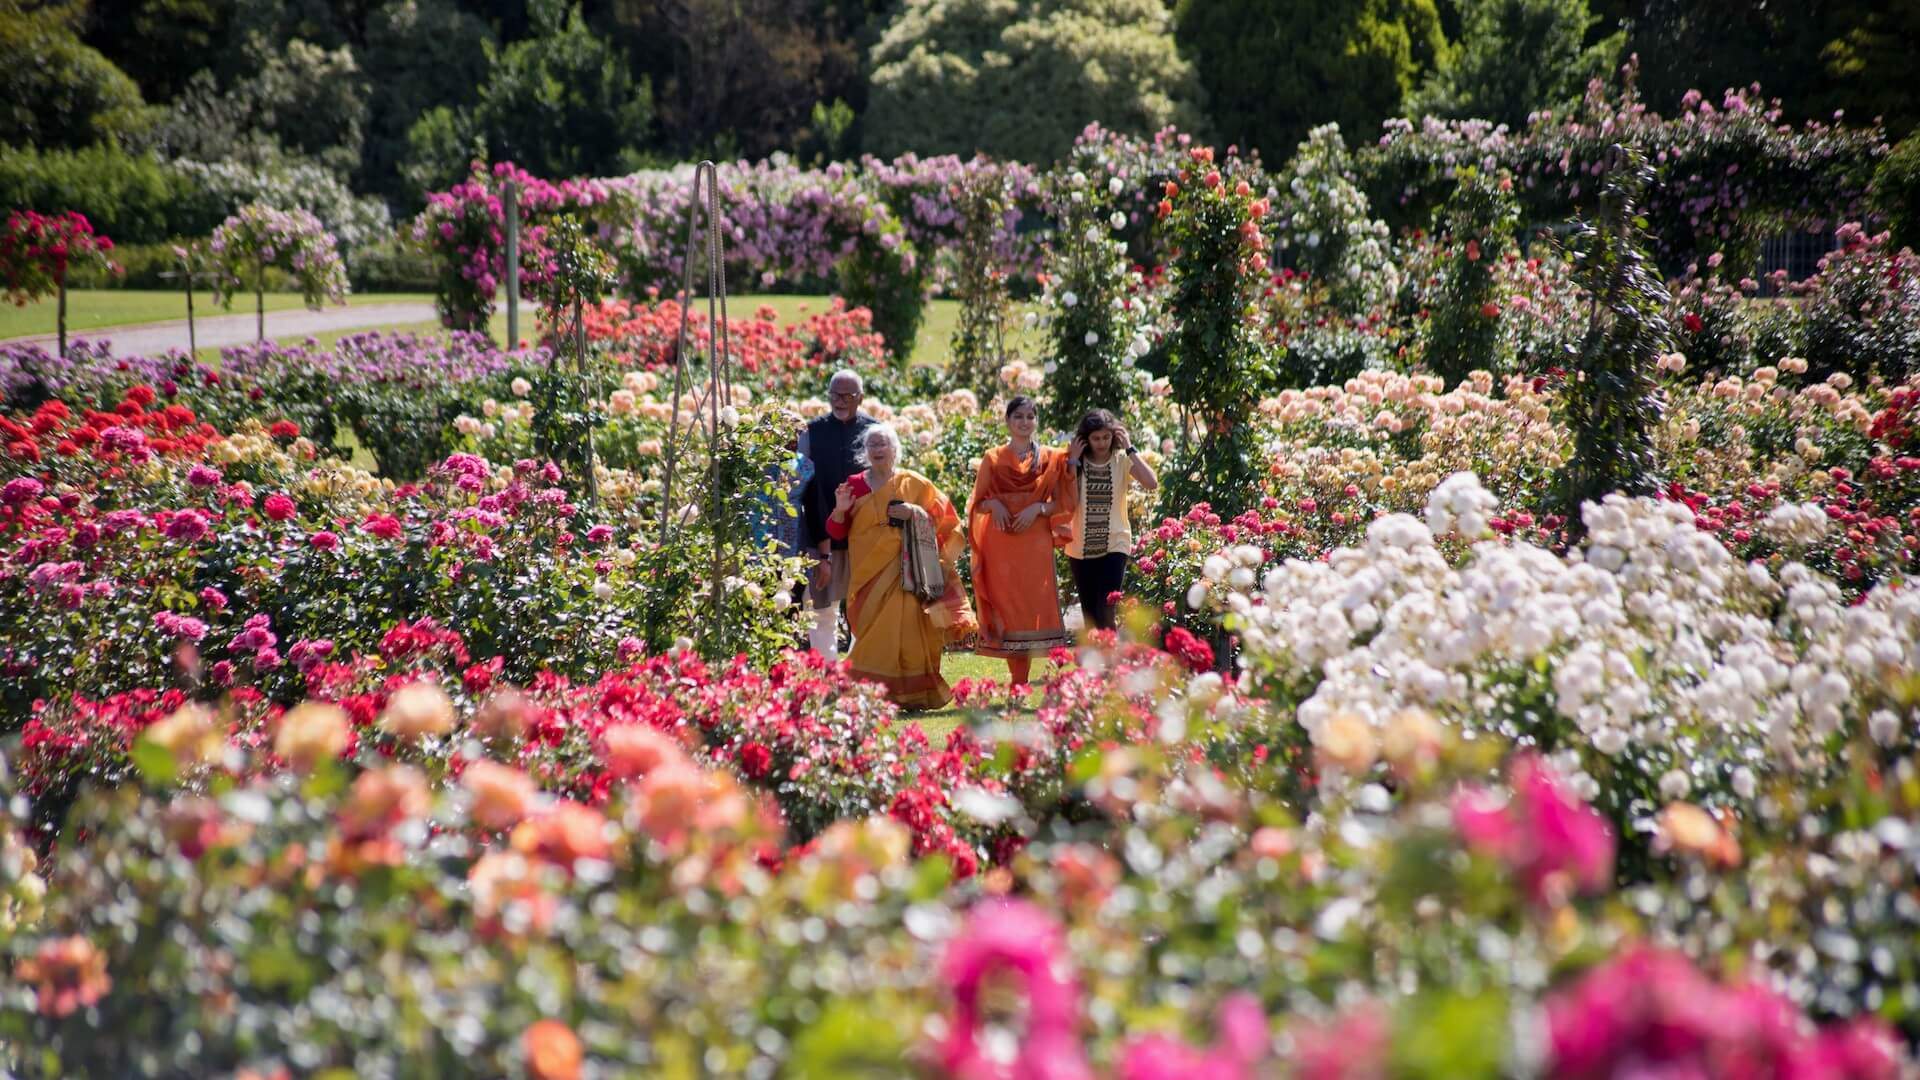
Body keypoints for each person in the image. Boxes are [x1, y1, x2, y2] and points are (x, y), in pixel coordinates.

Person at [826, 424, 973, 709]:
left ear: (895, 450)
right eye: (873, 445)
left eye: (883, 444)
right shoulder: (853, 484)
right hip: (868, 577)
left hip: (907, 572)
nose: (878, 450)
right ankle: (865, 695)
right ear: (865, 452)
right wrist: (841, 510)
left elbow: (947, 520)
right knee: (873, 636)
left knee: (908, 633)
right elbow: (835, 532)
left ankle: (908, 696)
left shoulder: (913, 482)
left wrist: (914, 513)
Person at [968, 395, 1075, 691]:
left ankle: (1058, 680)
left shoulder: (1052, 458)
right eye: (1018, 416)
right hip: (1000, 542)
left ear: (1036, 421)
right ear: (1007, 421)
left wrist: (1037, 509)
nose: (1024, 422)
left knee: (1034, 604)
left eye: (1030, 416)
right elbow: (977, 502)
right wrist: (994, 505)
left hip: (1034, 542)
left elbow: (1064, 500)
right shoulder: (992, 457)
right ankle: (1019, 682)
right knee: (1008, 607)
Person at [800, 369, 877, 658]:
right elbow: (805, 486)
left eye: (847, 396)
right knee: (821, 608)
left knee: (868, 608)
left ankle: (860, 671)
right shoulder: (812, 431)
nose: (840, 401)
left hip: (864, 536)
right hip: (821, 536)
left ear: (861, 398)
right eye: (834, 394)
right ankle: (828, 676)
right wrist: (821, 552)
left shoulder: (874, 432)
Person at [1065, 408, 1157, 633]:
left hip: (1115, 544)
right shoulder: (1077, 462)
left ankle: (1111, 666)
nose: (1101, 443)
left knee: (1106, 608)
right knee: (1090, 615)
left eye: (1106, 437)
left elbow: (1151, 482)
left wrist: (1130, 448)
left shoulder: (1122, 460)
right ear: (1085, 438)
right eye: (1095, 438)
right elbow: (1068, 501)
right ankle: (1094, 666)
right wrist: (1073, 462)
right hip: (1080, 547)